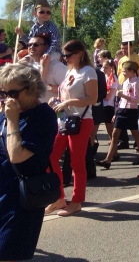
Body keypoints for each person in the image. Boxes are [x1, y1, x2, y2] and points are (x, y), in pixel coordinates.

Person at [0, 64, 57, 261]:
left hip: (21, 199)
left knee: (8, 253)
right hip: (2, 191)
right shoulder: (6, 113)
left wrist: (12, 120)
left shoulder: (43, 116)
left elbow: (16, 155)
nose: (8, 98)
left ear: (31, 88)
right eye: (4, 93)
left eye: (13, 92)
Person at [46, 40, 98, 216]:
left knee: (76, 163)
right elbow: (64, 93)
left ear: (79, 54)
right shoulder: (71, 71)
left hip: (81, 121)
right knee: (51, 157)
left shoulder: (88, 72)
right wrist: (58, 100)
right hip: (65, 120)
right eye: (64, 55)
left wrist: (68, 102)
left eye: (68, 55)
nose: (65, 58)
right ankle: (59, 197)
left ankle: (76, 201)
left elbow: (92, 98)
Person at [97, 60, 139, 169]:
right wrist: (117, 112)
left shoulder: (136, 83)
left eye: (125, 71)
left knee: (135, 134)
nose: (123, 73)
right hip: (122, 110)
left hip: (131, 111)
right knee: (115, 134)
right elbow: (121, 101)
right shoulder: (125, 82)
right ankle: (108, 159)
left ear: (132, 71)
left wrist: (123, 96)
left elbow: (136, 99)